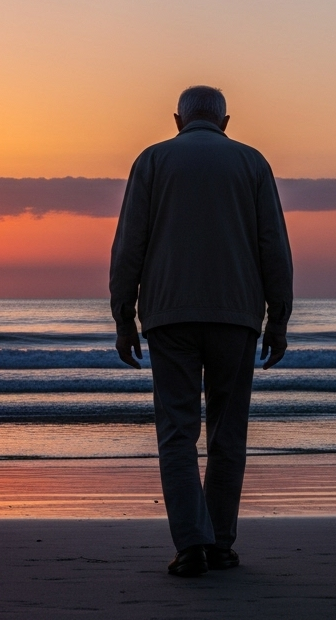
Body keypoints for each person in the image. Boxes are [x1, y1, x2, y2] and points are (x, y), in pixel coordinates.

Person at [109, 85, 293, 577]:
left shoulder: (152, 161)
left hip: (170, 316)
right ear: (226, 121)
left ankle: (192, 545)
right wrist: (280, 317)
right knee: (228, 434)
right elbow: (273, 244)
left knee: (177, 433)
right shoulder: (252, 163)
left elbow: (129, 244)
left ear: (177, 119)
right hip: (237, 316)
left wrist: (123, 316)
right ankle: (222, 544)